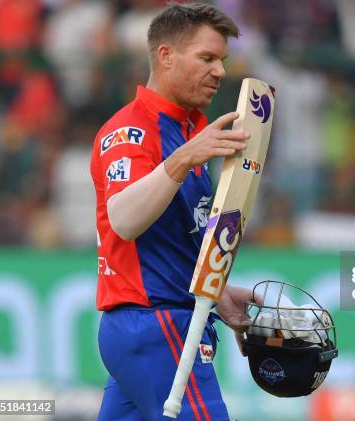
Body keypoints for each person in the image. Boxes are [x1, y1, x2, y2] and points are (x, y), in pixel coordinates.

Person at [89, 3, 255, 420]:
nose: (219, 71)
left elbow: (179, 236)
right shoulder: (131, 130)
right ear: (166, 56)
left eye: (222, 60)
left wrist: (218, 294)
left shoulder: (191, 131)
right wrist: (180, 160)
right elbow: (123, 221)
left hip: (165, 323)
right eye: (207, 58)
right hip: (153, 323)